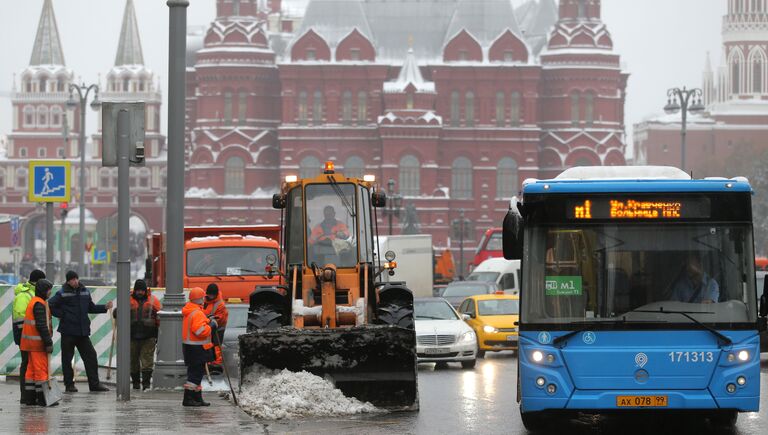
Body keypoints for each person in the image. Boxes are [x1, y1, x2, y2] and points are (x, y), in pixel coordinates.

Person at [48, 270, 112, 392]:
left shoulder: (85, 291)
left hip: (82, 332)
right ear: (68, 281)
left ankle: (94, 385)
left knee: (91, 356)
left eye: (76, 278)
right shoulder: (62, 293)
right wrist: (63, 314)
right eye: (72, 279)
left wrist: (104, 307)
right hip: (68, 332)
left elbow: (91, 307)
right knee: (67, 359)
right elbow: (50, 305)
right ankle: (69, 385)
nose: (75, 281)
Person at [113, 279, 162, 390]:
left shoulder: (153, 301)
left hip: (149, 336)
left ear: (145, 290)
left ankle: (145, 384)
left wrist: (158, 333)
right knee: (133, 361)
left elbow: (160, 317)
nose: (140, 292)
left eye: (142, 290)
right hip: (130, 336)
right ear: (135, 290)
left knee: (147, 361)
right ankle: (135, 383)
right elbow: (117, 313)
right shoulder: (127, 300)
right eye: (138, 290)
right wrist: (116, 312)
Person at [12, 269, 45, 404]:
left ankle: (31, 395)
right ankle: (25, 396)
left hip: (31, 337)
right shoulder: (24, 295)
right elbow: (20, 320)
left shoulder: (33, 293)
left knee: (31, 366)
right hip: (25, 338)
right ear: (38, 281)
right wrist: (23, 339)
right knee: (26, 365)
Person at [20, 279, 54, 406]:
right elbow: (41, 325)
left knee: (31, 371)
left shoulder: (34, 302)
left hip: (29, 344)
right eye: (49, 289)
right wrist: (48, 342)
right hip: (37, 344)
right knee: (40, 370)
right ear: (43, 290)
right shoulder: (39, 304)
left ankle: (30, 398)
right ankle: (42, 398)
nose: (50, 292)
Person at [182, 287, 216, 407]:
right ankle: (189, 398)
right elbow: (199, 330)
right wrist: (210, 326)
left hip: (191, 347)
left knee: (196, 372)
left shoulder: (191, 311)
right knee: (195, 373)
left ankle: (197, 398)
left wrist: (206, 320)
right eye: (203, 297)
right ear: (199, 299)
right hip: (197, 348)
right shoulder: (197, 313)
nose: (204, 299)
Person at [203, 283, 228, 373]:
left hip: (217, 328)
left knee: (216, 346)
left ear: (216, 294)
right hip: (206, 325)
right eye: (209, 294)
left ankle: (217, 364)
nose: (211, 296)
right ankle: (208, 363)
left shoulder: (220, 304)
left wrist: (212, 322)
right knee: (207, 345)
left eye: (212, 294)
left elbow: (221, 317)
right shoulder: (204, 300)